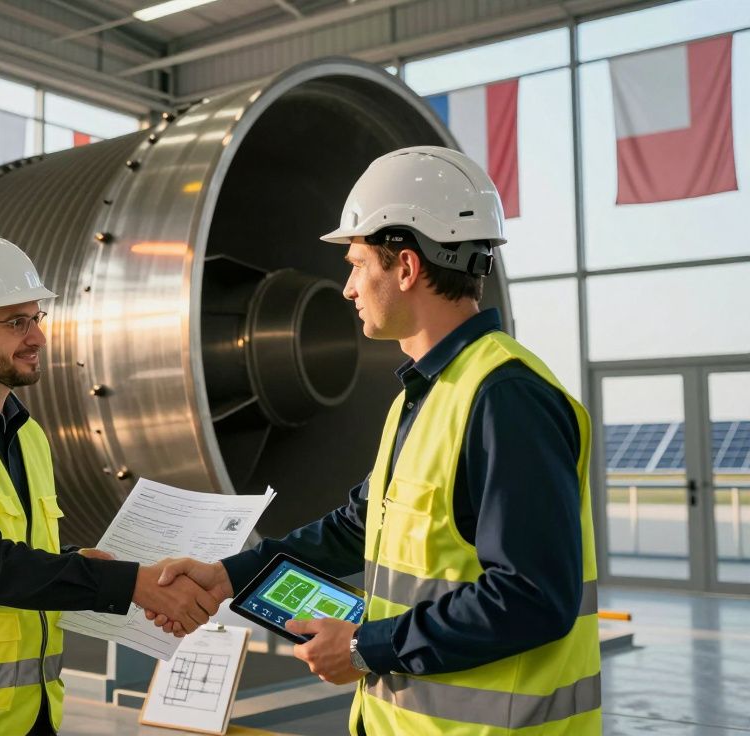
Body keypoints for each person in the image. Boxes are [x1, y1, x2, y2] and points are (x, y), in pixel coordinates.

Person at [149, 146, 601, 734]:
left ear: (407, 268)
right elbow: (359, 525)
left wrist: (367, 645)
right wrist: (229, 574)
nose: (348, 288)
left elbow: (534, 597)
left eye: (358, 264)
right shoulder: (426, 394)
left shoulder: (504, 398)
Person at [0, 233, 223, 736]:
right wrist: (132, 584)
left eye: (36, 318)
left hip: (31, 712)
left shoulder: (27, 435)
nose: (38, 338)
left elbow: (19, 547)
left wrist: (73, 559)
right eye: (16, 323)